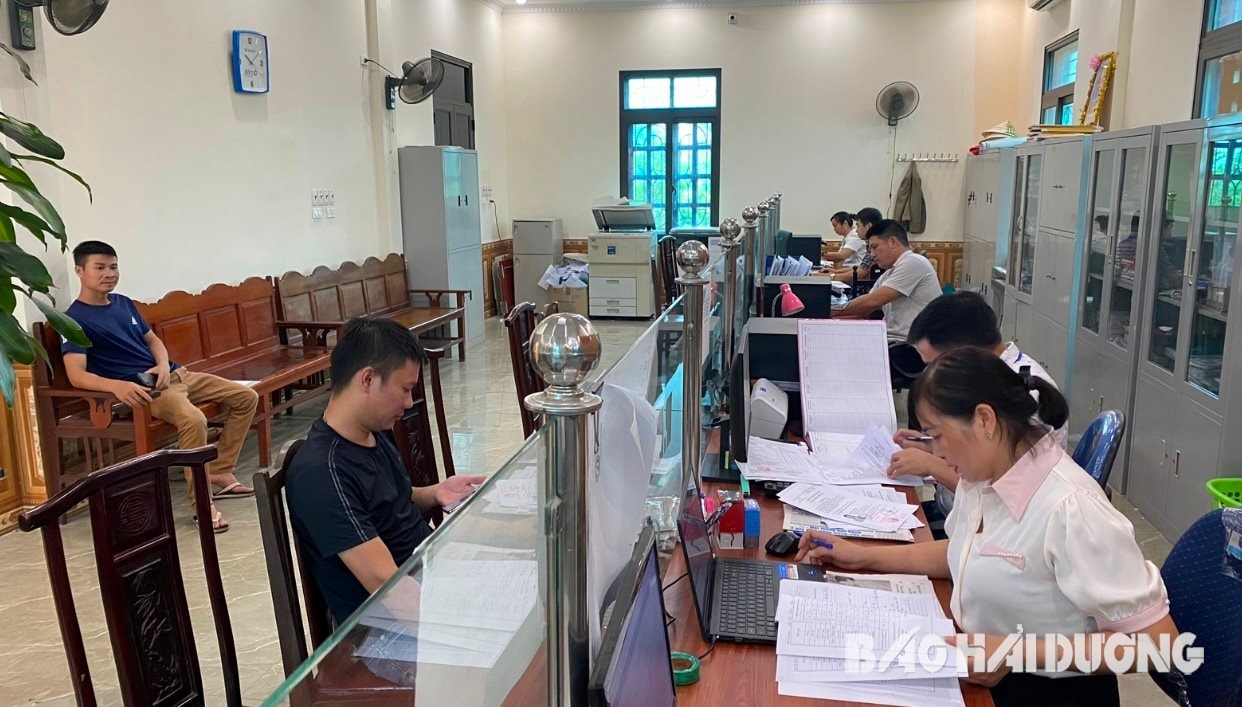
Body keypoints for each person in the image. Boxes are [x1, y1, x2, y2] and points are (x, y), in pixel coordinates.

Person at [797, 348, 1177, 706]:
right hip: (978, 673)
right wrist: (864, 558)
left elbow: (1159, 645)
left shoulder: (1070, 508)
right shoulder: (984, 477)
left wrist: (1011, 651)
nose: (937, 452)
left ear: (984, 420)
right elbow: (962, 551)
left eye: (938, 434)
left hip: (1046, 693)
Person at [285, 317, 485, 624]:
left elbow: (392, 501)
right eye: (405, 389)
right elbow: (388, 586)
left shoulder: (372, 432)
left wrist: (435, 492)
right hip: (385, 629)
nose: (408, 403)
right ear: (367, 380)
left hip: (431, 576)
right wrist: (474, 622)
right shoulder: (322, 472)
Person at [62, 241, 258, 533]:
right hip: (147, 391)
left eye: (113, 267)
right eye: (99, 268)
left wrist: (164, 365)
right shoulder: (73, 319)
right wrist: (117, 386)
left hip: (175, 375)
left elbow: (153, 340)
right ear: (80, 271)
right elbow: (76, 375)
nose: (109, 274)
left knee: (246, 397)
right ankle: (202, 505)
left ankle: (219, 470)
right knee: (194, 420)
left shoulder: (123, 303)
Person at [889, 291, 1066, 517]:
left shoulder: (1021, 396)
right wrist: (932, 446)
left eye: (935, 364)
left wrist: (932, 464)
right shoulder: (987, 377)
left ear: (964, 352)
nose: (930, 375)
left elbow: (999, 496)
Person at [832, 219, 941, 341]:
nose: (872, 254)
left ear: (893, 242)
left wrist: (830, 311)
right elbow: (866, 307)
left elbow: (873, 301)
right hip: (891, 340)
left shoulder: (914, 262)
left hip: (910, 346)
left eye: (874, 247)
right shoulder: (889, 273)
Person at [826, 207, 882, 280]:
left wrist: (831, 276)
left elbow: (860, 274)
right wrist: (835, 272)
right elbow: (860, 268)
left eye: (858, 226)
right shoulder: (870, 244)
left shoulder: (875, 246)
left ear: (869, 226)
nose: (856, 230)